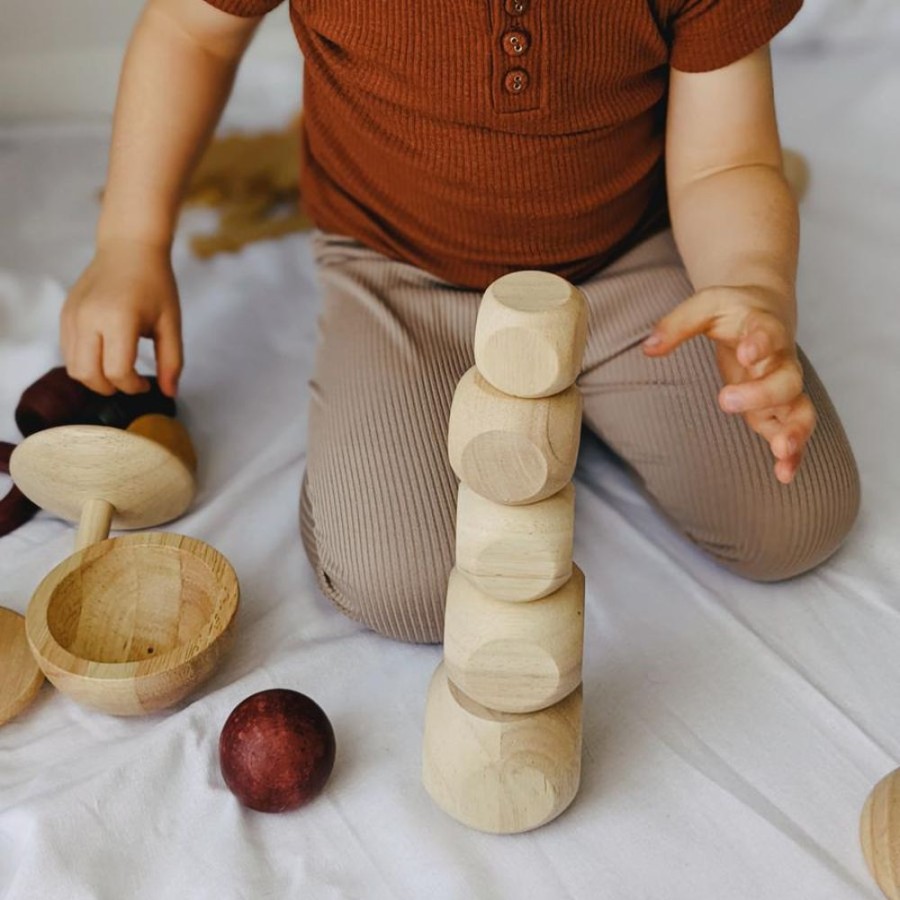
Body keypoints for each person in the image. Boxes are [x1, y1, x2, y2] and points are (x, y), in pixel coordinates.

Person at [60, 0, 860, 643]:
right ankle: (470, 421)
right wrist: (130, 240)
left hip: (629, 264)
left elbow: (726, 160)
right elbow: (188, 32)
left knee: (793, 520)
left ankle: (582, 389)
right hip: (402, 275)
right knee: (402, 589)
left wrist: (750, 290)